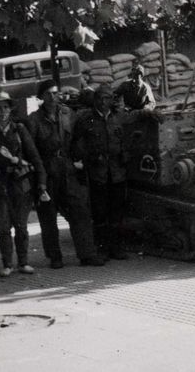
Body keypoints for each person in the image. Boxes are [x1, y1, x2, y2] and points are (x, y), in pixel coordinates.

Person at [26, 80, 106, 269]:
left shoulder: (67, 114)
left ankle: (87, 254)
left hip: (68, 167)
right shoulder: (34, 119)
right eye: (49, 94)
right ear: (41, 97)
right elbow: (31, 150)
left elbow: (78, 137)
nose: (54, 97)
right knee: (48, 216)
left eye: (56, 93)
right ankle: (55, 257)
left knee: (80, 210)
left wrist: (79, 158)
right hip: (47, 169)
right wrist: (39, 176)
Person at [0, 91, 46, 276]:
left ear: (10, 109)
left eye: (5, 107)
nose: (2, 111)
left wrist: (41, 183)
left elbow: (34, 156)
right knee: (4, 227)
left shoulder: (19, 130)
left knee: (21, 226)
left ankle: (23, 262)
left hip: (20, 184)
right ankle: (7, 263)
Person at [73, 84, 130, 260]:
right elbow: (77, 146)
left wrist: (124, 157)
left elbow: (124, 140)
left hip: (117, 172)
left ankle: (117, 247)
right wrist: (90, 158)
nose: (106, 102)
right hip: (98, 173)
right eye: (103, 98)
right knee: (100, 214)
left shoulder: (117, 118)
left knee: (117, 213)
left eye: (109, 98)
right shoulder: (86, 120)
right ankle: (102, 248)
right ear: (96, 100)